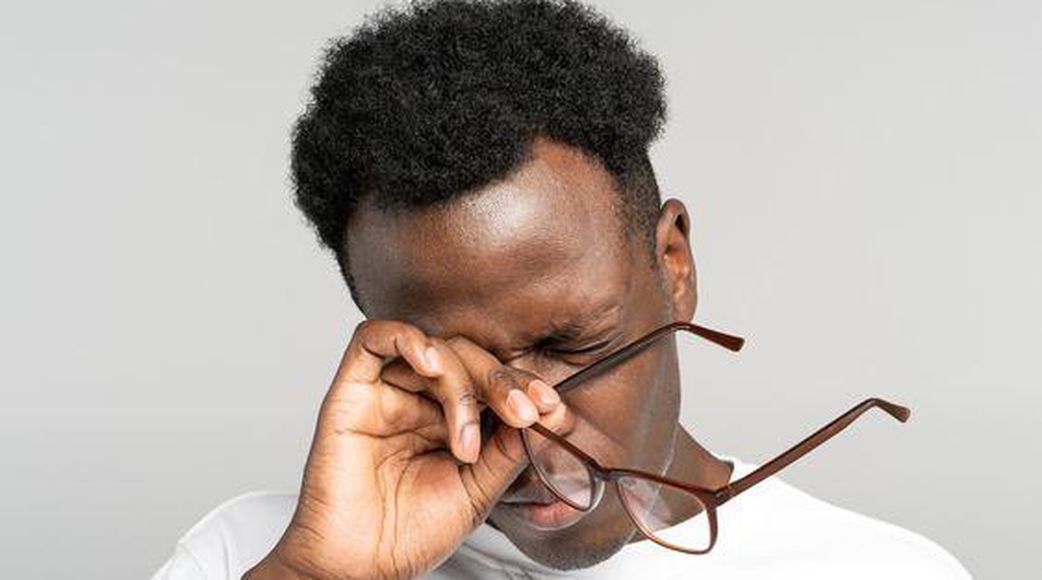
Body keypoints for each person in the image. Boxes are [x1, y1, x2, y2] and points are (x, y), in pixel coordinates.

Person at [152, 1, 971, 578]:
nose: (527, 425)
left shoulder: (881, 571)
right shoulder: (253, 555)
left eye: (570, 343)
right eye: (451, 370)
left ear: (674, 265)